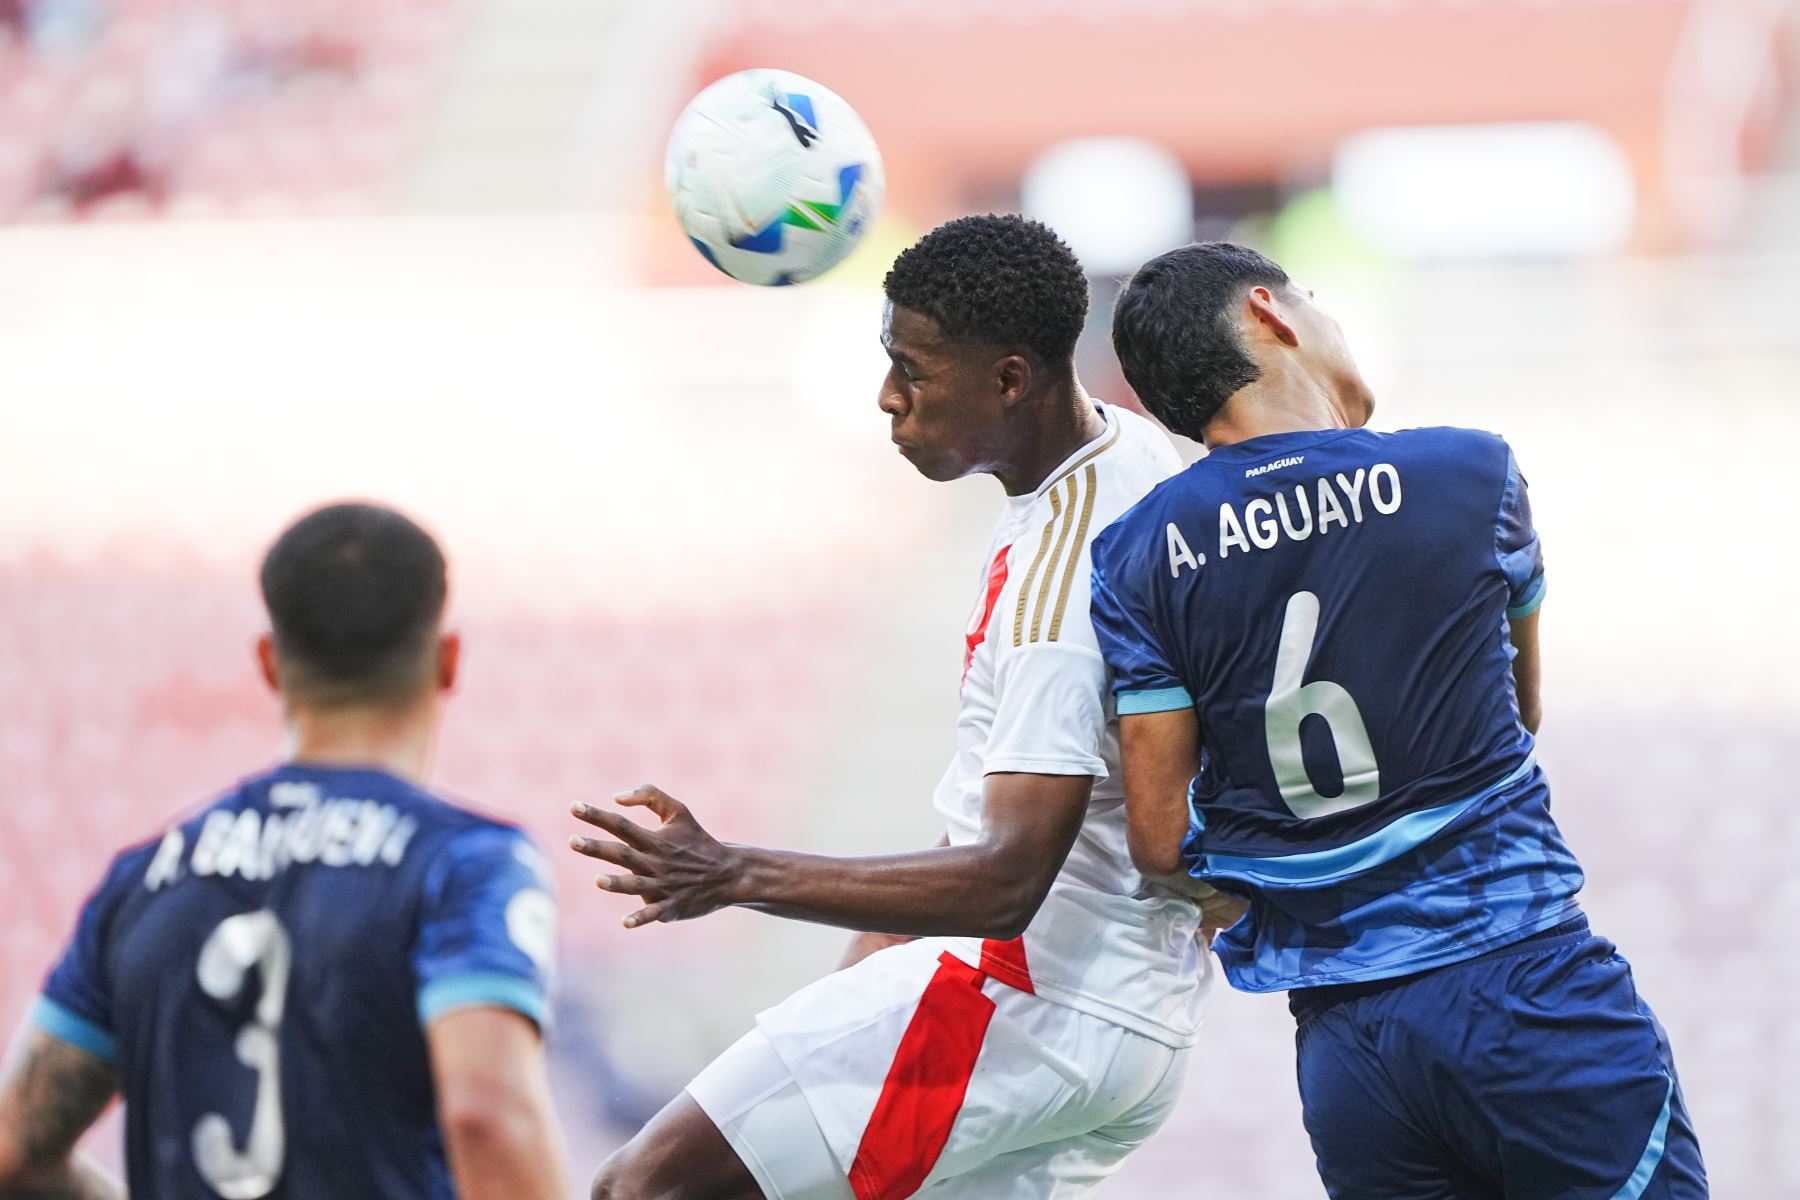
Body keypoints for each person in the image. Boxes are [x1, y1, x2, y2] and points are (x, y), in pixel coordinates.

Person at [570, 214, 1229, 1200]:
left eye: (913, 372)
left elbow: (1007, 877)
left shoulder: (1058, 590)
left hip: (1017, 999)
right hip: (1127, 1017)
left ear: (1011, 379)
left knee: (646, 1187)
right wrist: (867, 976)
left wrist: (730, 870)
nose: (888, 398)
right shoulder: (1131, 457)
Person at [1089, 242, 1707, 1199]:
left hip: (1348, 1053)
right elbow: (1521, 709)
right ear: (1272, 314)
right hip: (1527, 996)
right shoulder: (1470, 474)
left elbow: (1160, 839)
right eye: (1316, 300)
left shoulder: (1136, 556)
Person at [0, 503, 567, 1200]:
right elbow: (489, 1119)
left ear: (268, 663)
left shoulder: (144, 877)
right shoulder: (465, 864)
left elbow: (13, 1150)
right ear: (448, 660)